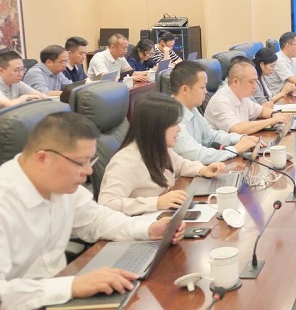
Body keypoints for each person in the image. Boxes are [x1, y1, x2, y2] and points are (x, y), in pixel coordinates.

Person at [0, 112, 184, 310]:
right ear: (43, 158)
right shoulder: (5, 201)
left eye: (91, 161)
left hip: (59, 295)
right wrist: (72, 286)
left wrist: (148, 229)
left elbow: (98, 220)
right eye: (81, 162)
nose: (88, 171)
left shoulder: (62, 187)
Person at [98, 94, 225, 215]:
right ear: (156, 126)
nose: (179, 129)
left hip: (158, 217)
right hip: (139, 224)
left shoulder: (158, 147)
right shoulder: (125, 162)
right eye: (174, 124)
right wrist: (156, 202)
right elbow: (107, 204)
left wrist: (202, 169)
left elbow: (180, 164)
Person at [171, 61, 258, 164]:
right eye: (202, 87)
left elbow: (211, 136)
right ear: (185, 89)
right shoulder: (172, 117)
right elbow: (198, 155)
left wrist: (240, 138)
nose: (206, 91)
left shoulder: (192, 108)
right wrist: (236, 149)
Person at [205, 59, 292, 134]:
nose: (255, 86)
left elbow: (261, 111)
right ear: (236, 82)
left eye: (255, 81)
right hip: (225, 147)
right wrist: (271, 121)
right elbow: (237, 129)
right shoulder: (220, 101)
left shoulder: (241, 96)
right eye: (251, 82)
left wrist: (275, 114)